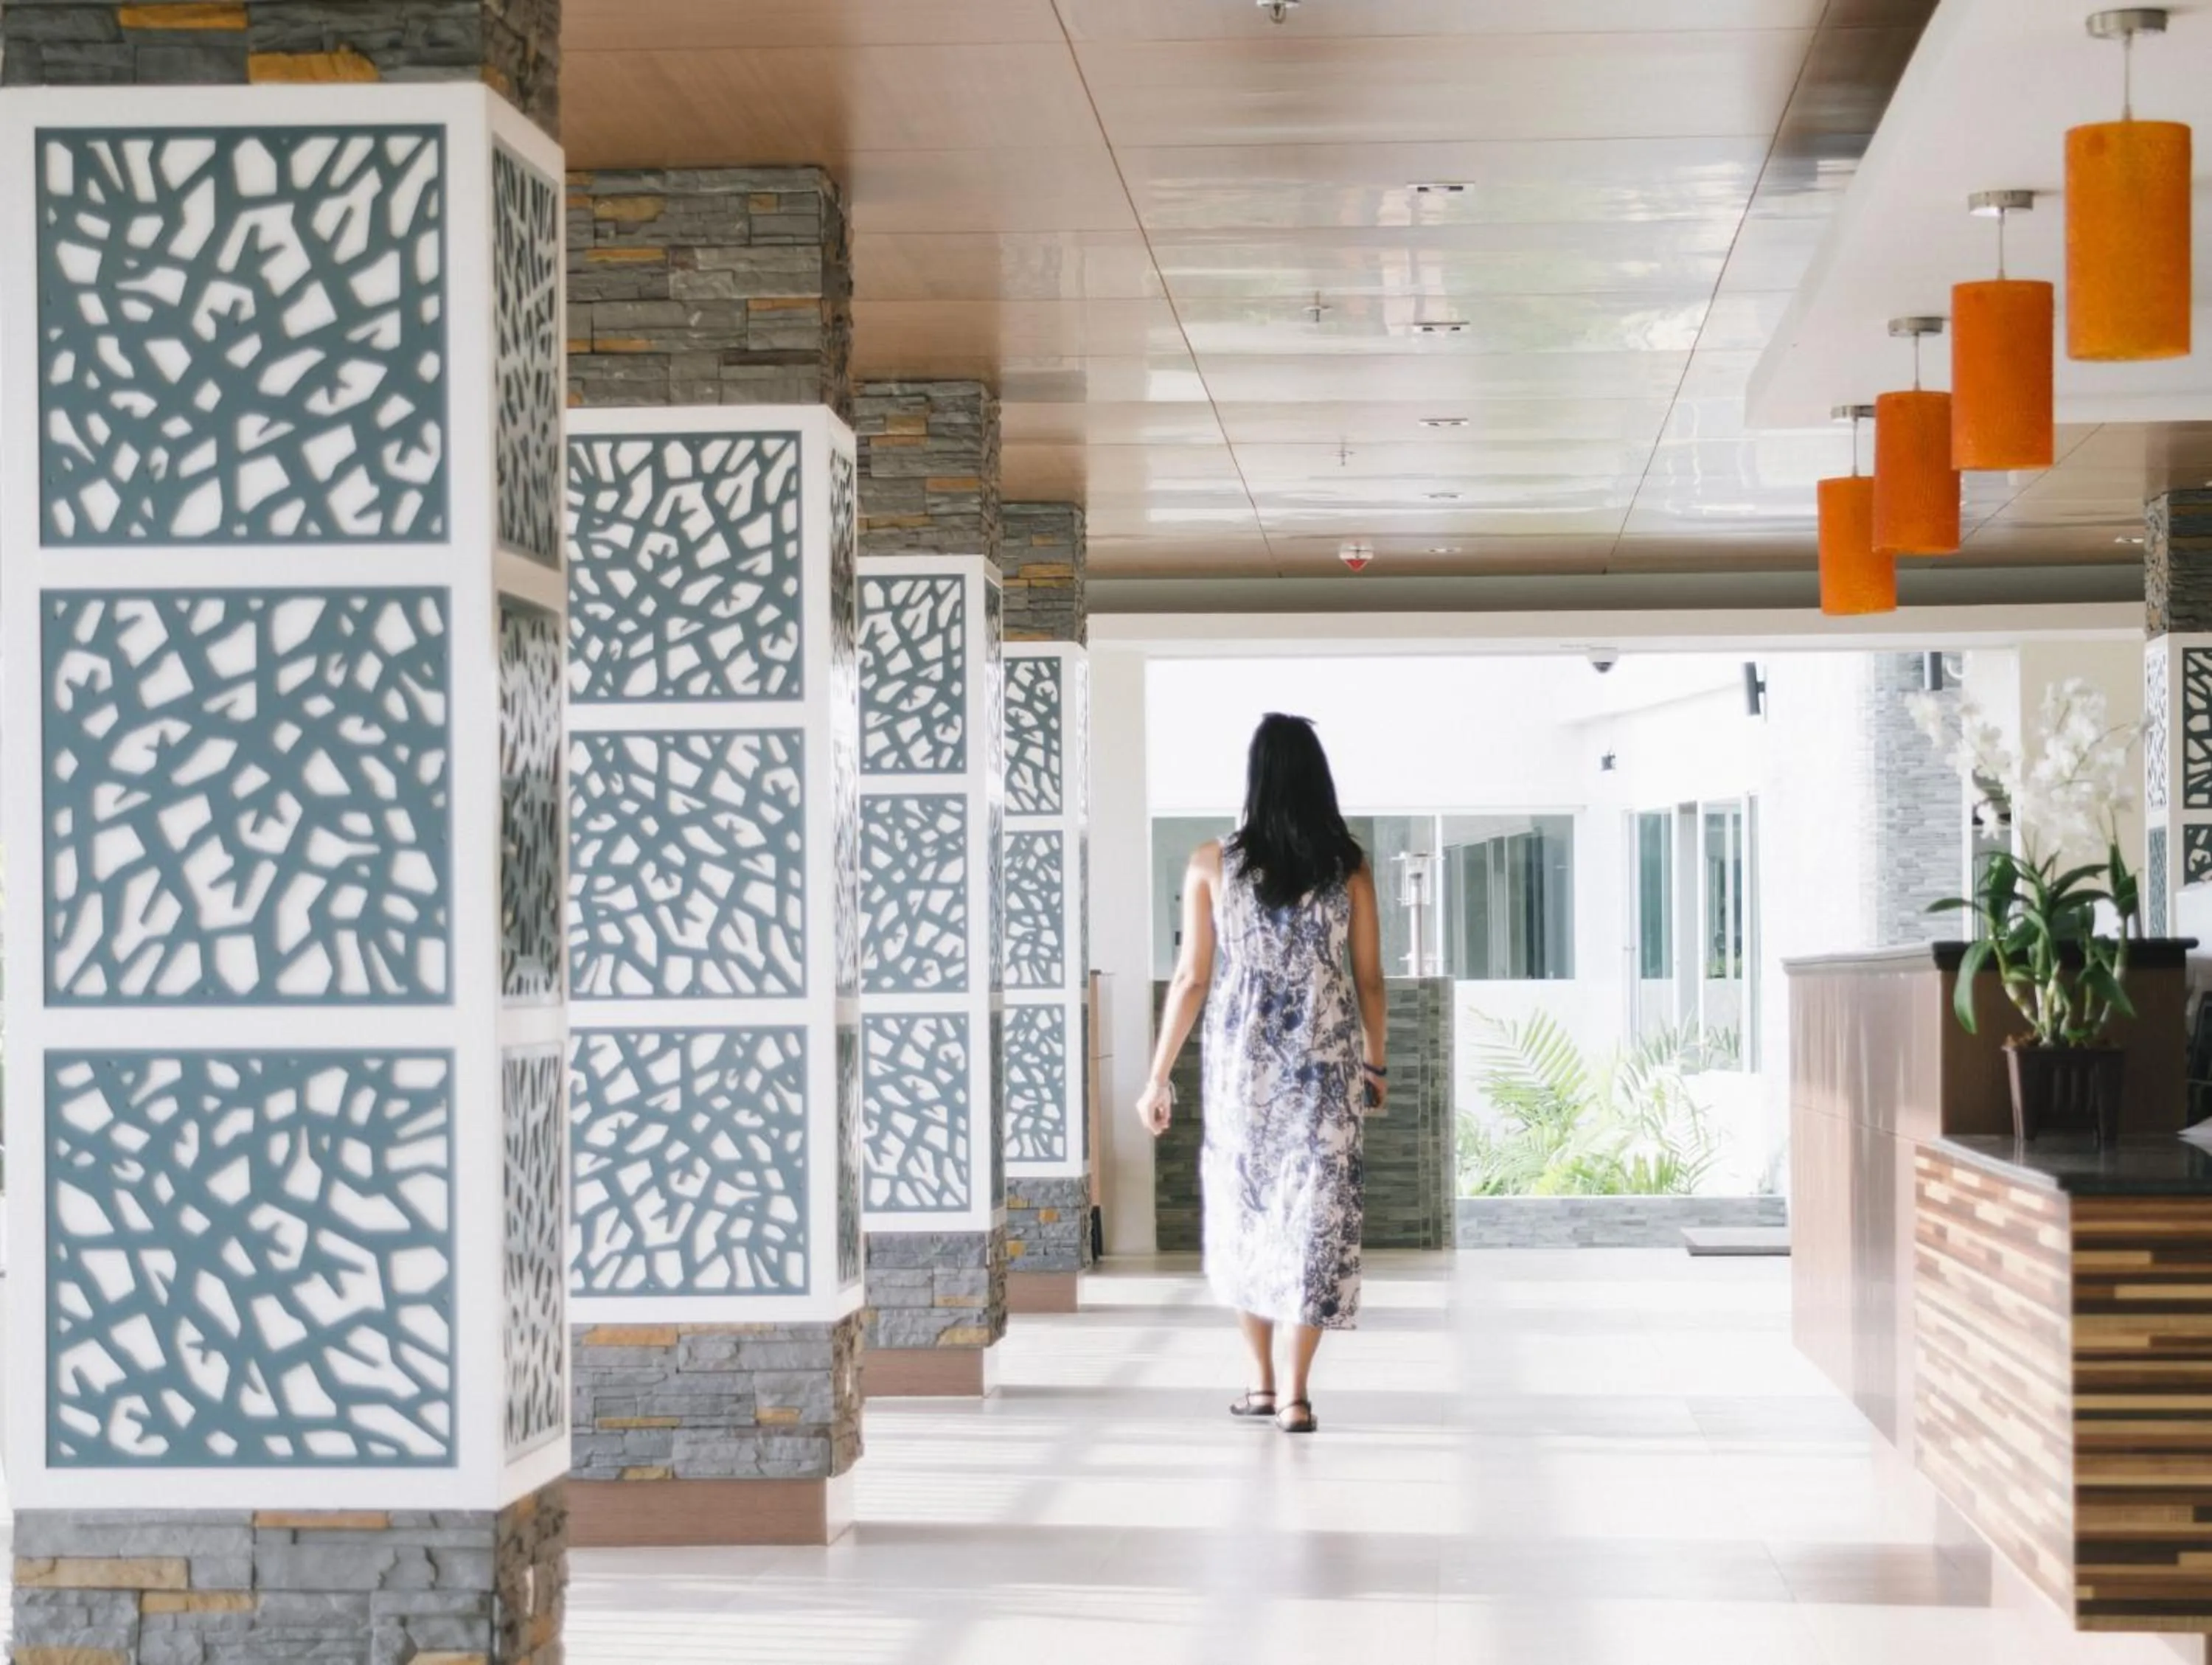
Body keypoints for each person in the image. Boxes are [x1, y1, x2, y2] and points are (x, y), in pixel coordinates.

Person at [1135, 712, 1387, 1436]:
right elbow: (1369, 979)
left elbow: (1191, 978)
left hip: (1242, 1066)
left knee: (1246, 1212)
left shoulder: (1211, 862)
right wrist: (1375, 1061)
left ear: (1256, 777)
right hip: (1325, 1062)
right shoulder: (1349, 867)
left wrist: (1157, 1078)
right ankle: (1296, 1396)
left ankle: (1260, 1382)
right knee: (1316, 1219)